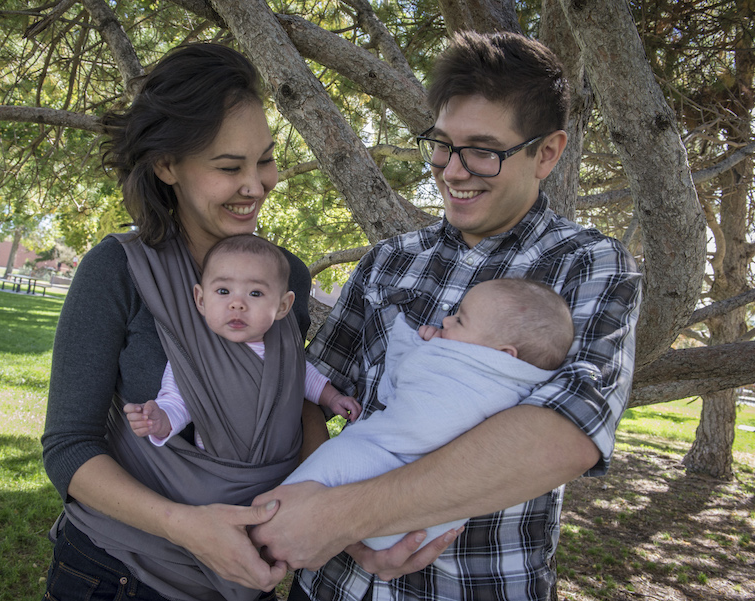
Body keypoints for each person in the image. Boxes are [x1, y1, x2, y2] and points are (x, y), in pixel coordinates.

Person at [249, 30, 643, 601]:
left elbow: (568, 434)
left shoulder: (588, 264)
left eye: (483, 150)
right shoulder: (391, 260)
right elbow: (314, 393)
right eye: (442, 143)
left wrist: (343, 514)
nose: (453, 171)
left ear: (548, 152)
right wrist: (327, 512)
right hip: (331, 583)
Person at [41, 43, 329, 601]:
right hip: (118, 574)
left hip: (246, 576)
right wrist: (186, 526)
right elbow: (68, 447)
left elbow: (296, 402)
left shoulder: (282, 274)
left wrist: (315, 501)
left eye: (264, 159)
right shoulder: (117, 270)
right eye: (229, 166)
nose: (258, 184)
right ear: (167, 164)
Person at [283, 278, 574, 551]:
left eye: (459, 320)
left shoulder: (490, 380)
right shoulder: (515, 382)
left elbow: (396, 387)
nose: (446, 320)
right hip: (416, 521)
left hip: (395, 464)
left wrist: (418, 347)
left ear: (501, 355)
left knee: (336, 456)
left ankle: (275, 513)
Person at [124, 234, 361, 446]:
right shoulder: (192, 354)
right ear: (201, 300)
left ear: (282, 306)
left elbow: (306, 378)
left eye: (255, 293)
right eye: (223, 291)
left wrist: (334, 398)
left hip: (281, 463)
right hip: (224, 467)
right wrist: (160, 419)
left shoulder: (283, 351)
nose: (237, 303)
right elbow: (177, 403)